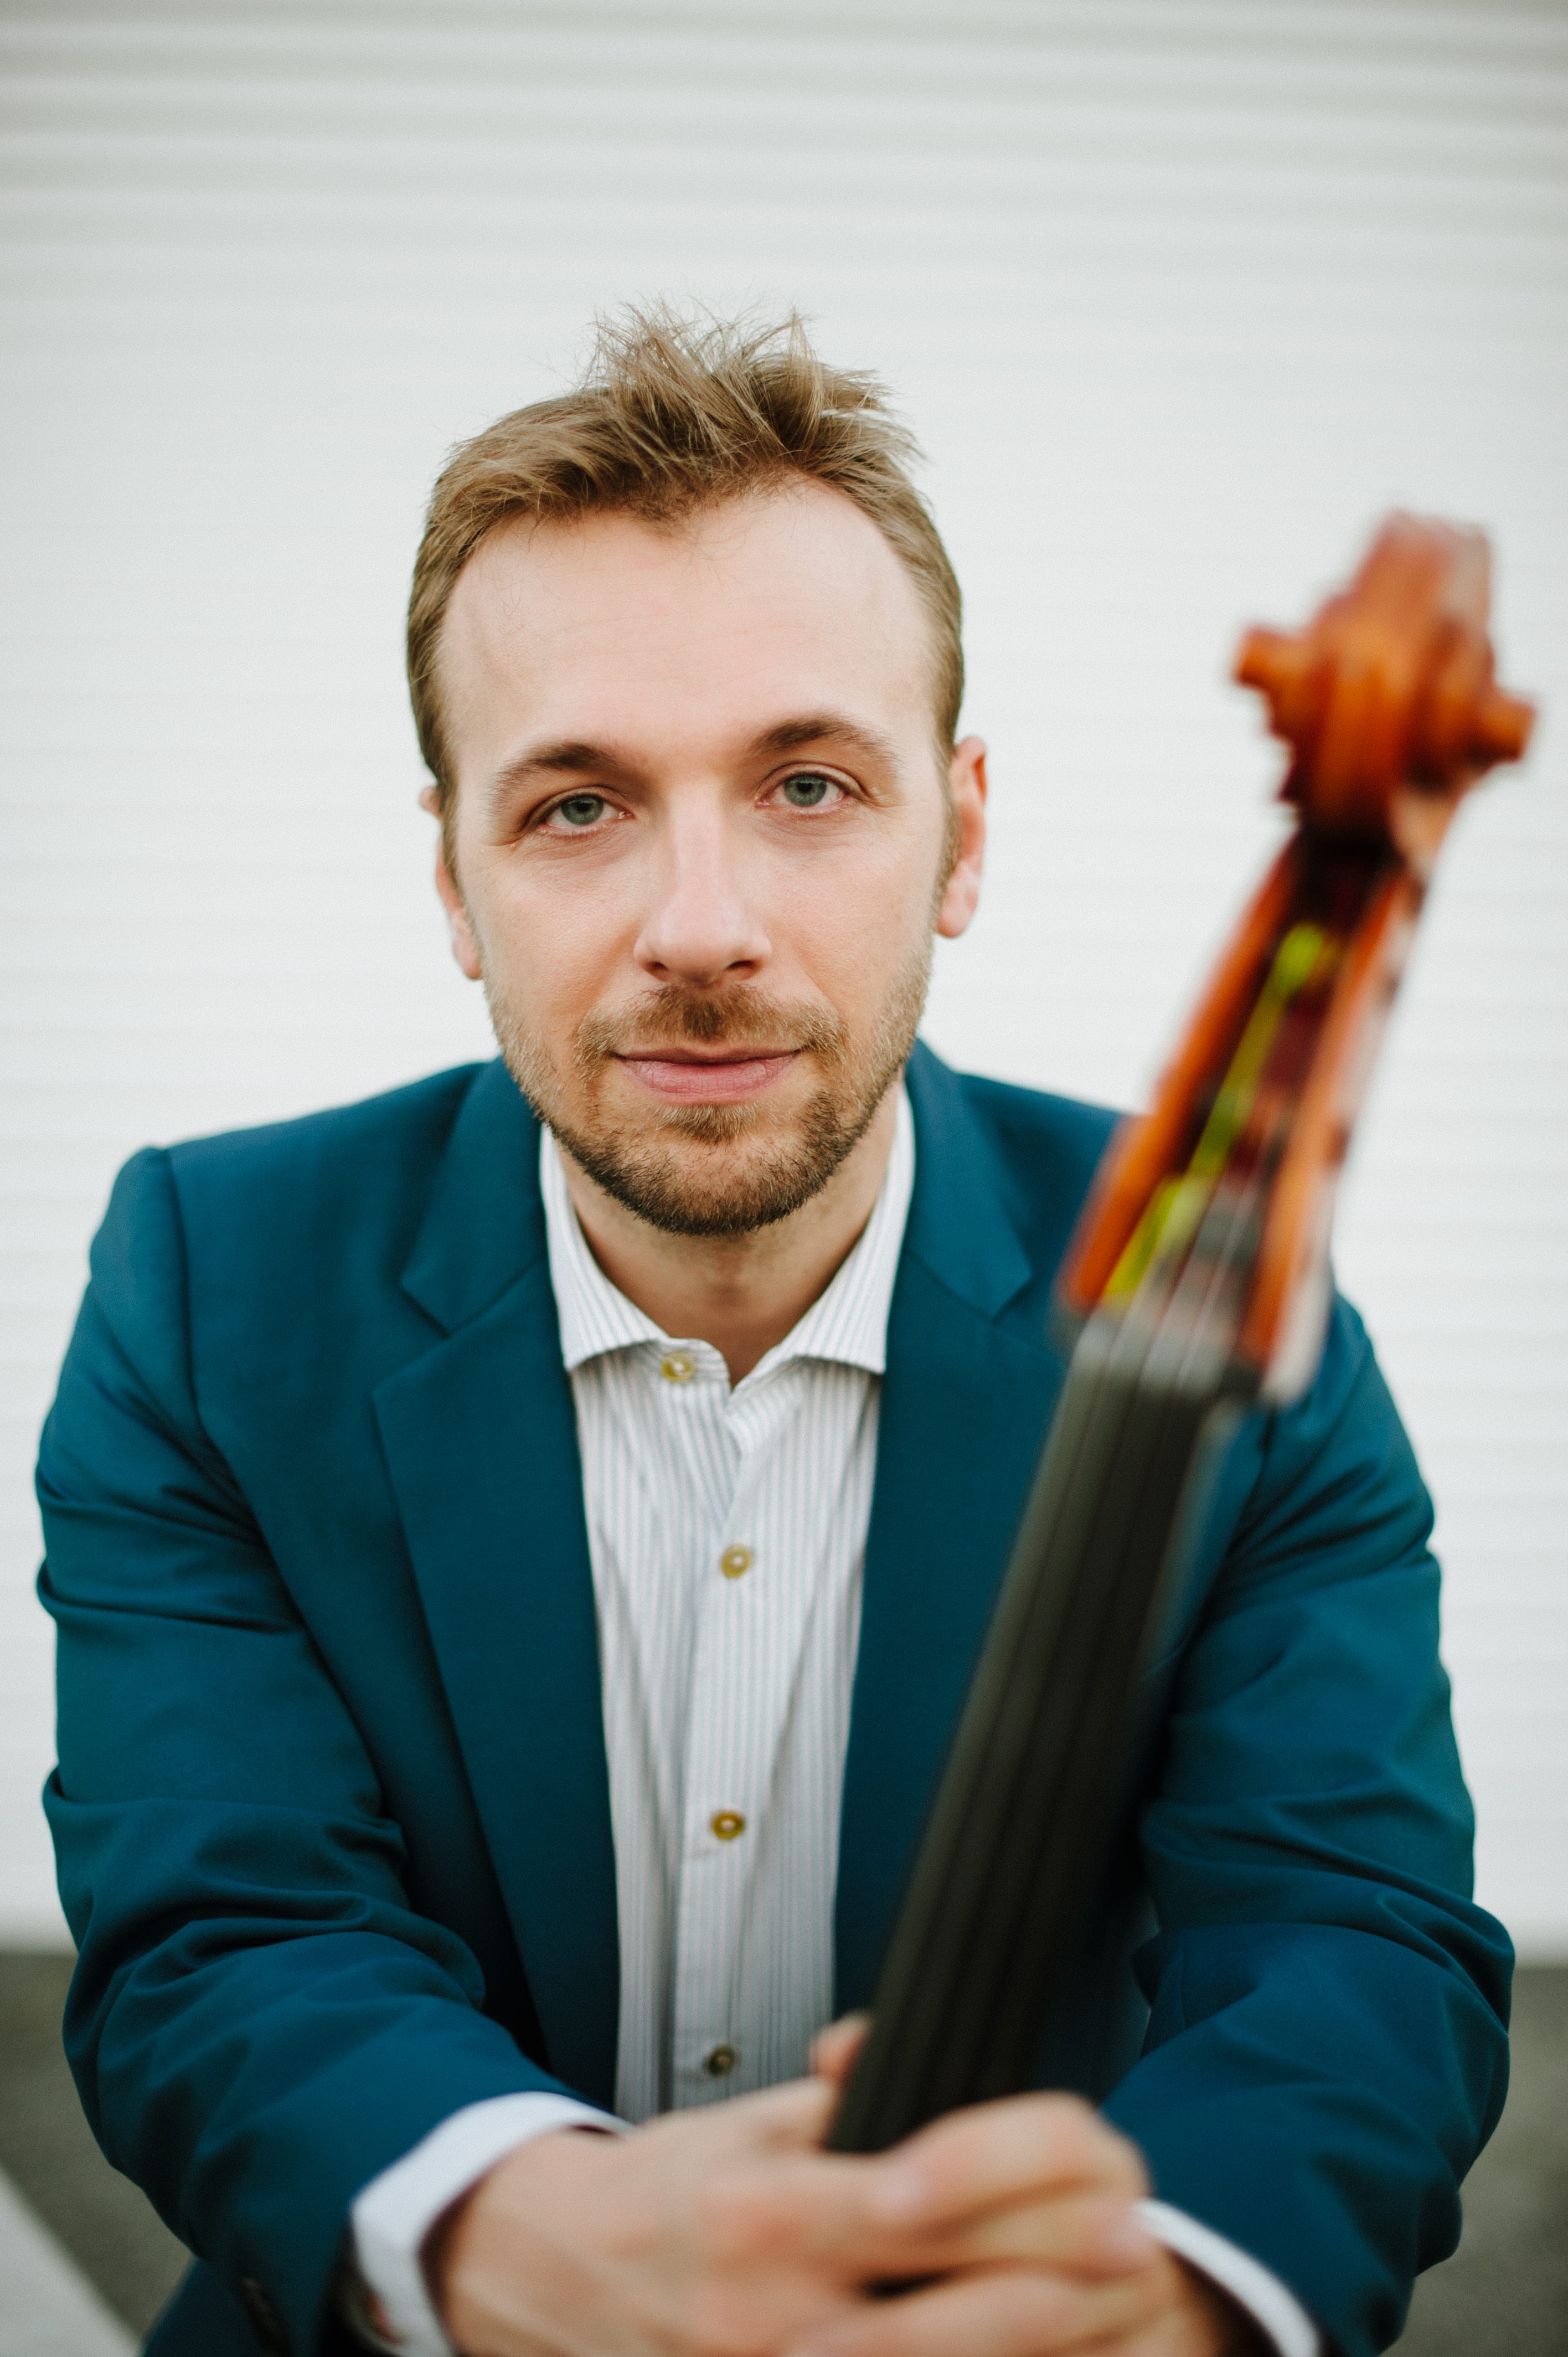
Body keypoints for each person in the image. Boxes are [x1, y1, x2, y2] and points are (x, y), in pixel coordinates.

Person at [38, 310, 1509, 2357]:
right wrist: (517, 2237)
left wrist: (1162, 2298)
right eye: (576, 807)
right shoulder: (205, 1285)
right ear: (456, 881)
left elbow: (1345, 1938)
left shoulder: (1229, 1318)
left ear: (963, 834)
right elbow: (220, 1925)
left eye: (809, 782)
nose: (702, 925)